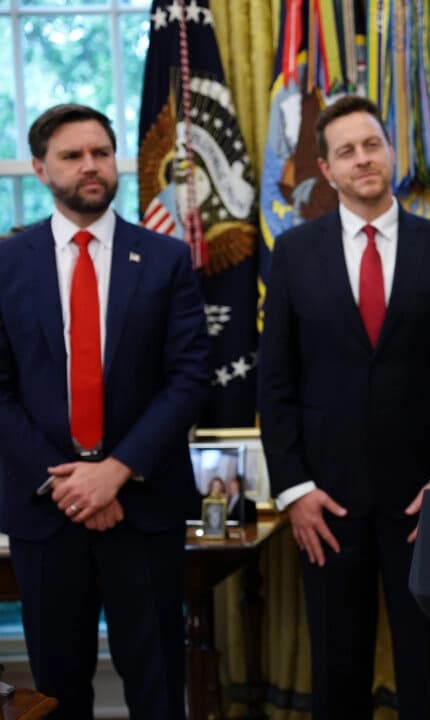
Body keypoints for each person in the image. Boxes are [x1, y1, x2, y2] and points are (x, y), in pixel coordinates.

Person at [258, 95, 430, 719]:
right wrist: (294, 488)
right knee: (337, 670)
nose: (363, 159)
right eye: (347, 151)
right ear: (326, 169)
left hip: (424, 503)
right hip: (326, 503)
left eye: (372, 144)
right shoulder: (295, 253)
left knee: (428, 669)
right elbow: (275, 383)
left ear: (391, 152)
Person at [0, 104, 209, 719]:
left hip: (143, 507)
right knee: (57, 690)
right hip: (48, 510)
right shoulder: (7, 263)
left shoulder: (166, 259)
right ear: (40, 169)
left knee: (159, 684)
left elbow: (189, 377)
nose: (90, 167)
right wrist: (71, 483)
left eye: (100, 153)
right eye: (72, 156)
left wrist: (115, 470)